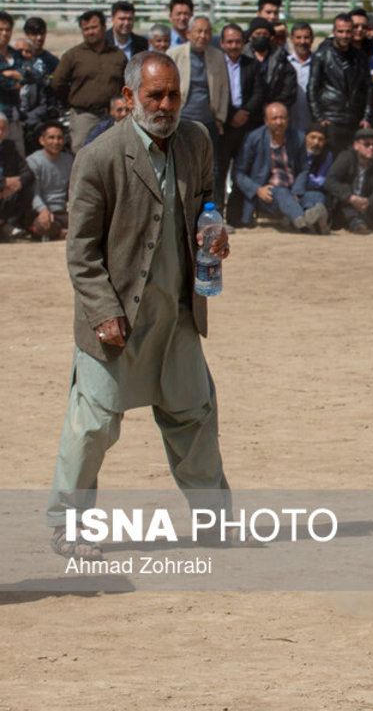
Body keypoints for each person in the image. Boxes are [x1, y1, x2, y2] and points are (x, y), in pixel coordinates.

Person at [46, 50, 231, 559]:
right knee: (92, 425)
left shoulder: (195, 141)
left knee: (194, 417)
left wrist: (213, 236)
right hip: (116, 320)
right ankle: (69, 526)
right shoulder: (99, 157)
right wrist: (103, 311)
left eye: (173, 94)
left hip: (175, 315)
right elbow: (81, 252)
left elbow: (208, 201)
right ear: (128, 99)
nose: (167, 105)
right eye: (155, 95)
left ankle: (215, 521)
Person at [233, 102, 329, 233]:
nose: (279, 122)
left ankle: (301, 217)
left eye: (283, 118)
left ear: (288, 119)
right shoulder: (253, 138)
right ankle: (302, 222)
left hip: (293, 192)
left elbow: (304, 169)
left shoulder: (298, 137)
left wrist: (297, 191)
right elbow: (239, 173)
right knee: (281, 192)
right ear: (266, 121)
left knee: (318, 197)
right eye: (275, 118)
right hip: (268, 195)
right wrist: (257, 190)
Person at [51, 10, 127, 151]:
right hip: (83, 116)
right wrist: (72, 101)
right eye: (86, 29)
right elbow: (57, 83)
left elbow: (126, 84)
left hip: (111, 115)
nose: (90, 32)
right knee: (82, 153)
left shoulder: (118, 55)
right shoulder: (73, 55)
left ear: (104, 28)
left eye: (94, 27)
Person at [168, 16, 228, 177]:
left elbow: (224, 90)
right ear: (188, 33)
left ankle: (210, 202)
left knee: (210, 168)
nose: (203, 36)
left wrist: (220, 118)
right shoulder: (174, 54)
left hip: (209, 121)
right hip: (181, 120)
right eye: (199, 31)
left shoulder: (217, 56)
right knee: (180, 166)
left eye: (207, 32)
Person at [217, 24, 266, 224]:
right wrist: (231, 114)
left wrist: (245, 112)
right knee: (219, 172)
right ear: (222, 43)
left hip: (245, 126)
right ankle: (218, 216)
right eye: (229, 41)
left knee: (241, 171)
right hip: (223, 125)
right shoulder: (216, 64)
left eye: (238, 41)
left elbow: (259, 92)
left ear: (244, 43)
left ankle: (235, 217)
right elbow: (215, 94)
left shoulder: (251, 64)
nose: (234, 45)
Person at [307, 13, 371, 156]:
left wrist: (367, 116)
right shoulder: (321, 55)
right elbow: (312, 89)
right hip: (331, 118)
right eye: (340, 31)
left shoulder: (360, 57)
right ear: (333, 31)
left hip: (354, 119)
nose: (344, 35)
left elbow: (368, 88)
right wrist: (318, 118)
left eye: (348, 31)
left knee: (352, 162)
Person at [324, 126, 373, 233]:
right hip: (343, 208)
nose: (371, 148)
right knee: (344, 200)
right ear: (356, 145)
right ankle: (357, 225)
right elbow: (330, 181)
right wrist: (350, 198)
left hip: (365, 208)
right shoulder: (346, 158)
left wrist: (368, 202)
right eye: (367, 144)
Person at [24, 120, 72, 239]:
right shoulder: (33, 161)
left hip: (61, 211)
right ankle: (62, 233)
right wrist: (43, 210)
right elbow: (33, 193)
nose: (56, 142)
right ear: (42, 140)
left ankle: (61, 232)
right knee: (41, 225)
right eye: (51, 137)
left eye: (59, 138)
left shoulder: (69, 160)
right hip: (41, 211)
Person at [245, 17, 297, 109]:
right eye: (257, 34)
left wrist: (275, 106)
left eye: (265, 34)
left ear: (270, 37)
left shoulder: (281, 58)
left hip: (273, 112)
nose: (261, 37)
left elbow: (289, 87)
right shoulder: (243, 57)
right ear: (250, 36)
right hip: (247, 112)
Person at [0, 11, 32, 155]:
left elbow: (31, 76)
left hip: (15, 114)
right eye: (1, 29)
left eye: (7, 30)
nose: (5, 33)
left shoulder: (17, 55)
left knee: (18, 158)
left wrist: (9, 75)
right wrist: (15, 77)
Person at [287, 22, 315, 132]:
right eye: (298, 37)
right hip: (290, 123)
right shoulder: (285, 63)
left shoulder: (318, 63)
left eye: (306, 38)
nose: (302, 42)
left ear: (312, 39)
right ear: (292, 39)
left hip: (312, 123)